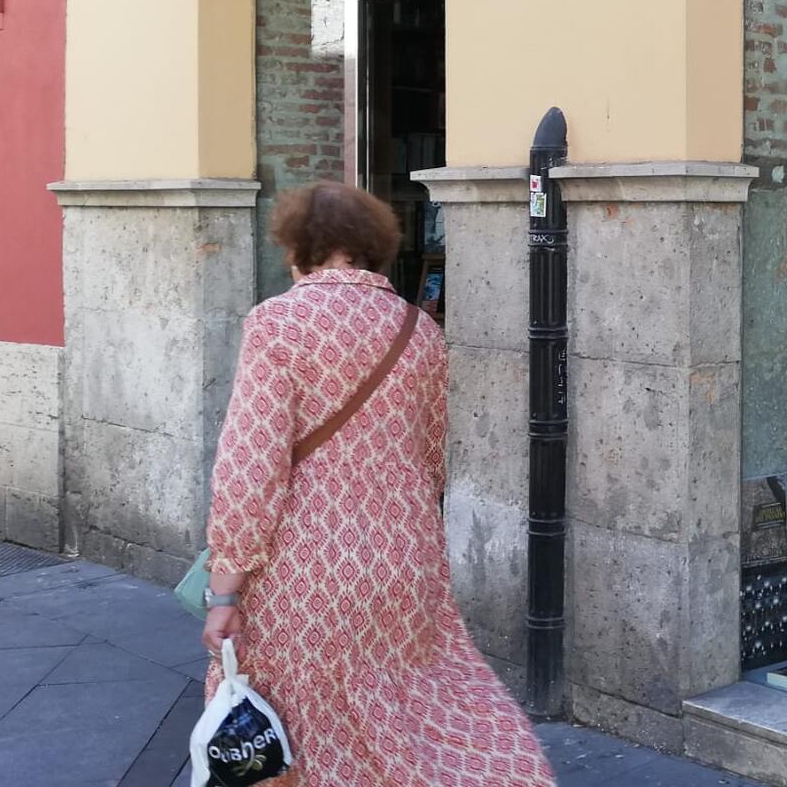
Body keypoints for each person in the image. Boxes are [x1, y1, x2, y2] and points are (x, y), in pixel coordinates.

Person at [201, 181, 554, 786]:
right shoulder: (419, 331)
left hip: (307, 567)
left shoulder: (277, 324)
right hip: (404, 556)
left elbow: (250, 468)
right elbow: (430, 457)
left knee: (310, 727)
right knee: (414, 709)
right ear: (373, 245)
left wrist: (225, 590)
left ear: (298, 245)